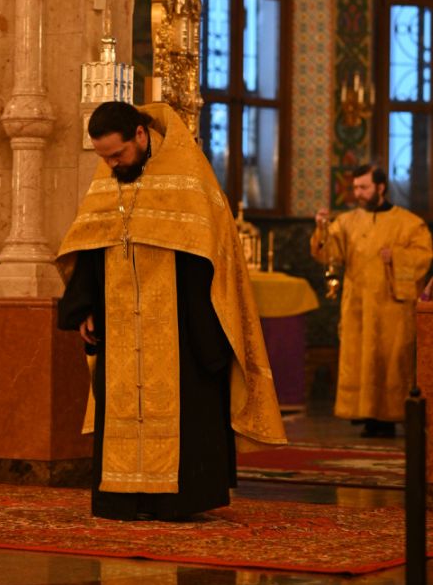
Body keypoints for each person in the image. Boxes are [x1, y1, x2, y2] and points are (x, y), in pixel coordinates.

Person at [57, 101, 286, 521]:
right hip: (119, 323)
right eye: (104, 158)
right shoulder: (109, 177)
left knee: (186, 409)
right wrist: (85, 305)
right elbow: (91, 243)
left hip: (183, 322)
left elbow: (215, 253)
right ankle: (123, 498)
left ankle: (176, 500)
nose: (111, 165)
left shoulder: (189, 173)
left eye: (117, 154)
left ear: (140, 135)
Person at [311, 164, 432, 438]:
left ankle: (388, 418)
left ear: (380, 187)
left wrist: (397, 256)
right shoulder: (347, 222)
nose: (358, 193)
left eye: (364, 187)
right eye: (355, 188)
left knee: (390, 363)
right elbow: (328, 255)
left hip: (392, 309)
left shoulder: (410, 223)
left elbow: (424, 257)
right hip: (357, 306)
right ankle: (365, 415)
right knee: (360, 360)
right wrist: (322, 227)